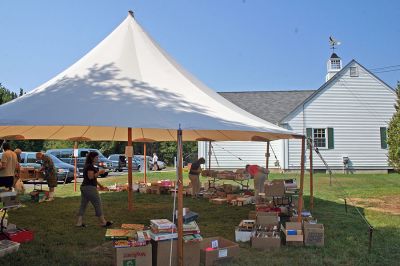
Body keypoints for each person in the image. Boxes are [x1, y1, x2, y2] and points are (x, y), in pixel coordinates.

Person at [76, 151, 113, 228]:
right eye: (96, 157)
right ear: (92, 158)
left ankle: (79, 223)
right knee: (97, 203)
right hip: (89, 188)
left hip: (85, 187)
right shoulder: (89, 166)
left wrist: (100, 186)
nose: (97, 158)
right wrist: (100, 172)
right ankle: (103, 222)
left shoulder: (89, 165)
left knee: (83, 205)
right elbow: (91, 177)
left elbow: (93, 179)